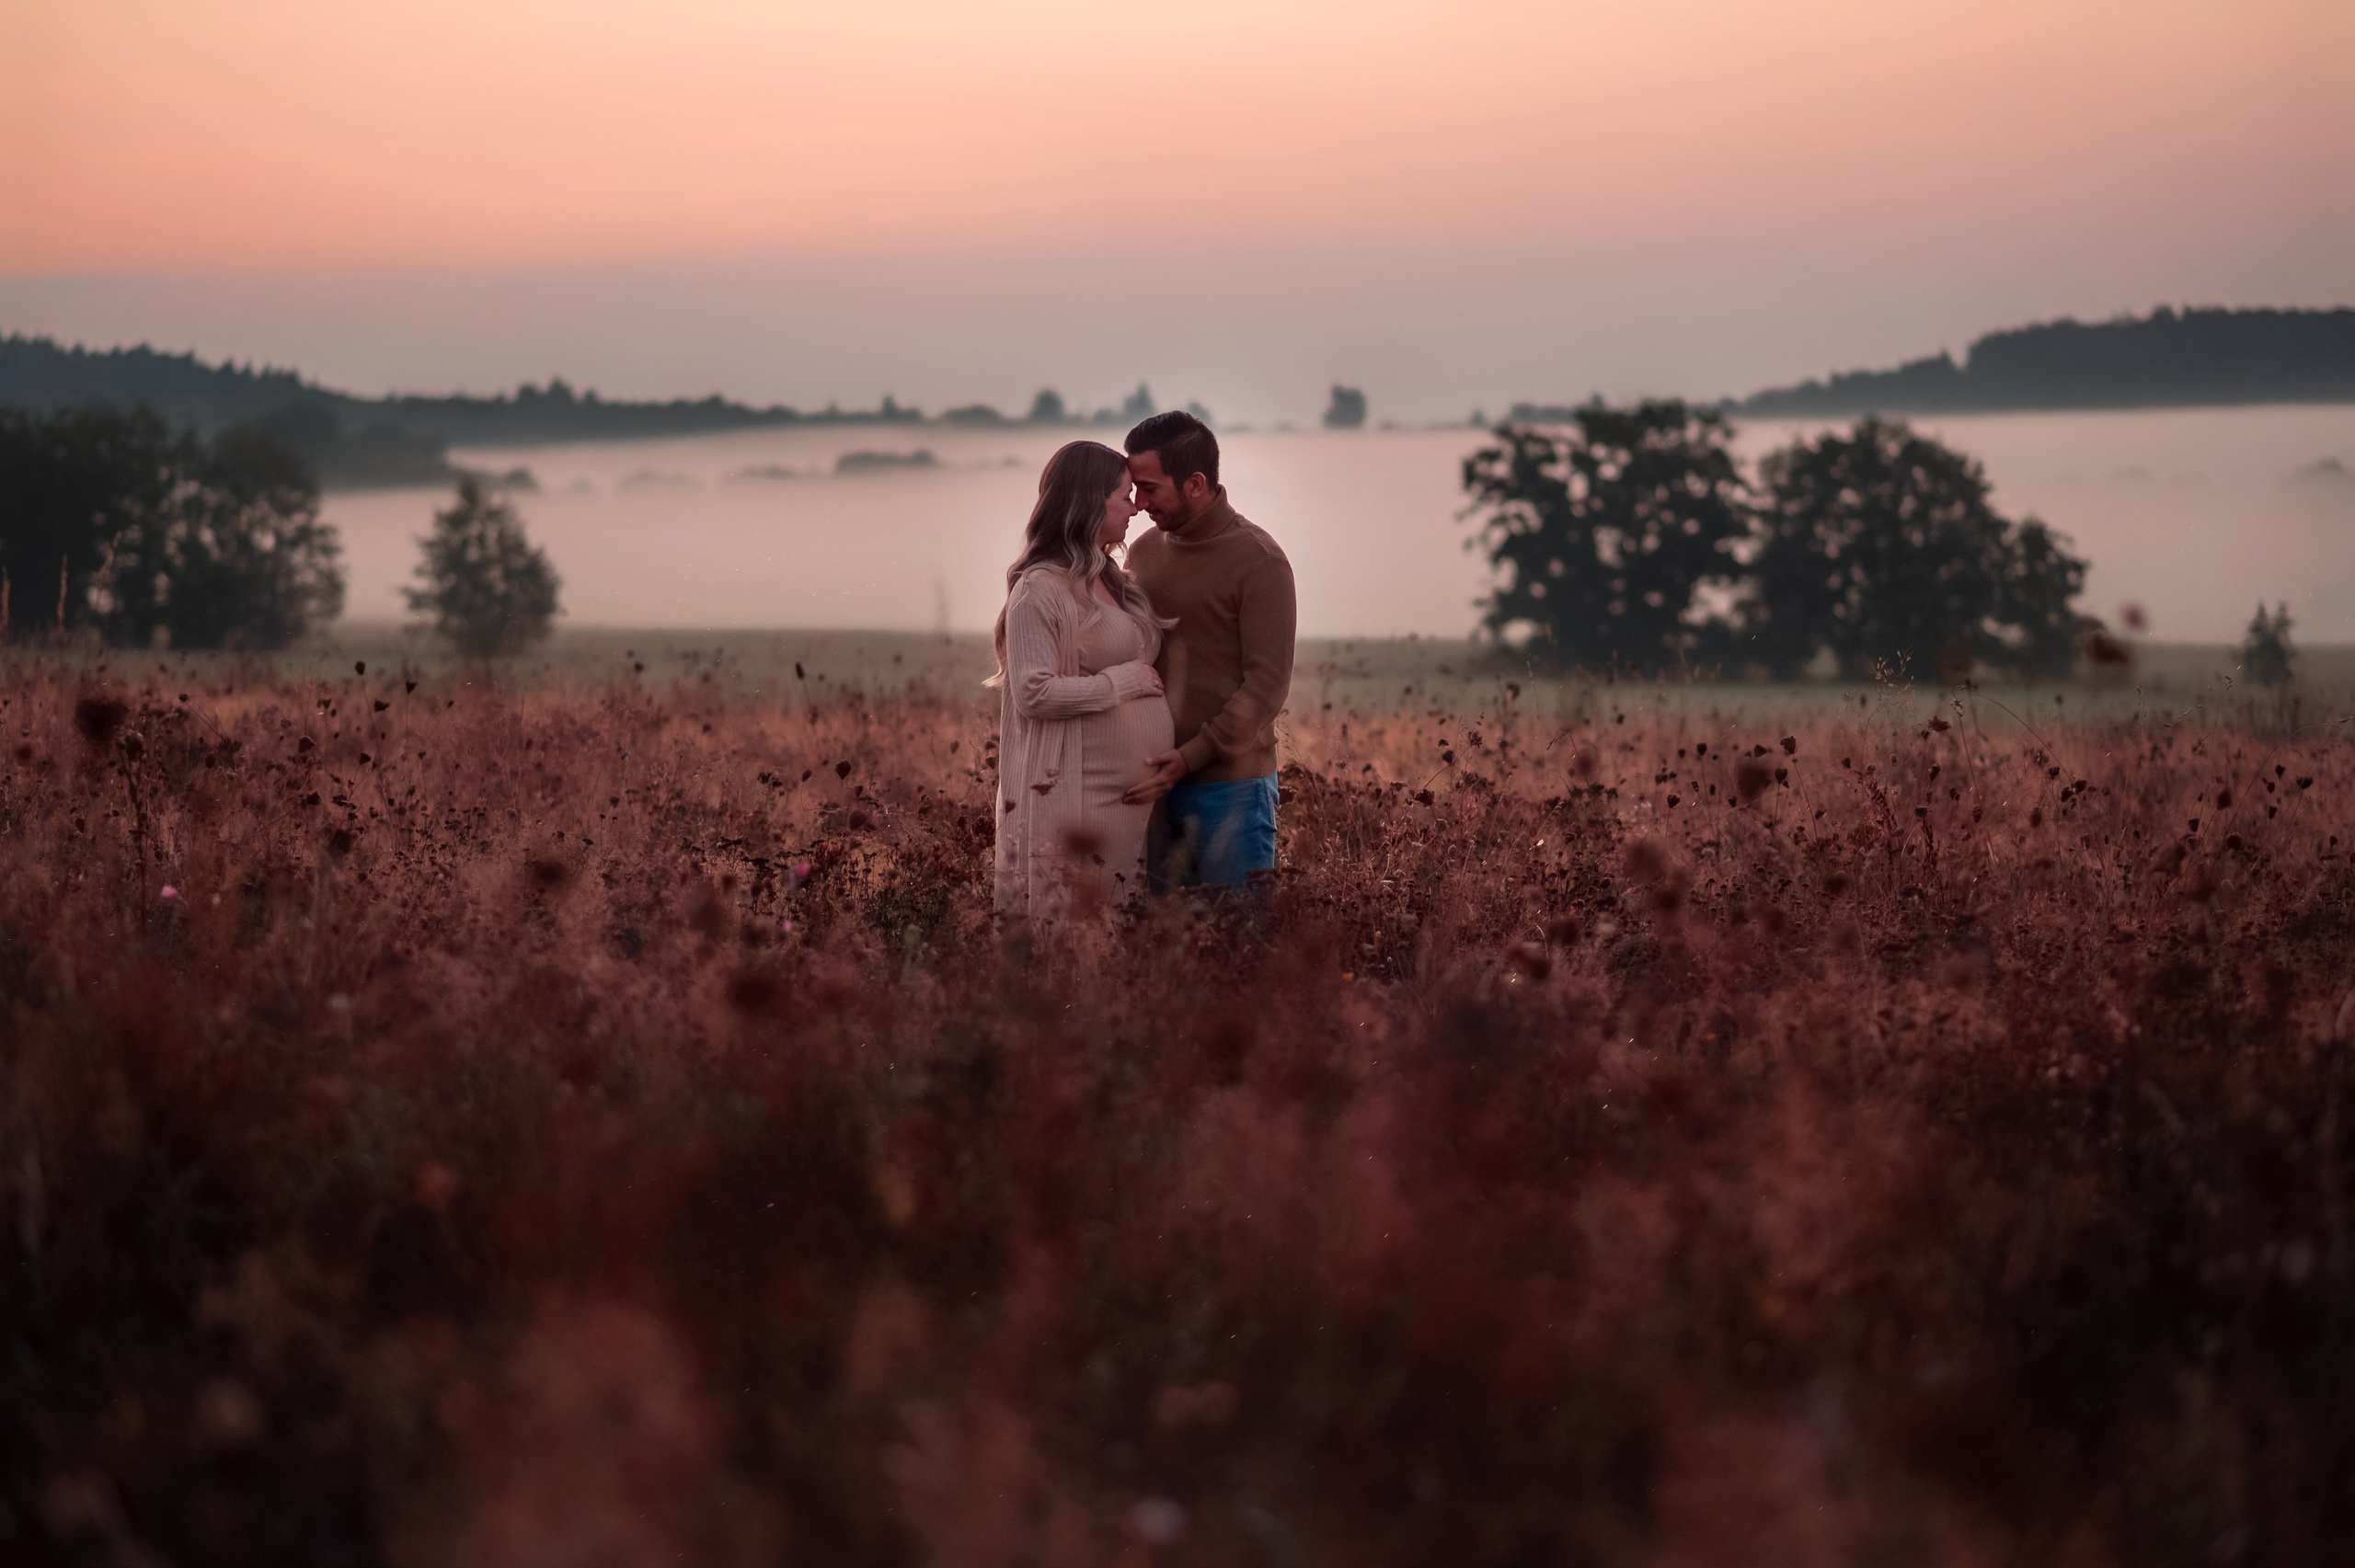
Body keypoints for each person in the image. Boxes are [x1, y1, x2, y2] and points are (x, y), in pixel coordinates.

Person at [989, 441, 1175, 925]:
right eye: (1125, 495)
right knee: (1075, 932)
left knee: (1120, 933)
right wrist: (1122, 682)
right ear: (1091, 501)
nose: (1135, 507)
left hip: (1132, 799)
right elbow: (1034, 693)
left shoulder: (1111, 578)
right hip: (1076, 797)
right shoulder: (1039, 591)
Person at [1120, 411, 1296, 893]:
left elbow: (1266, 687)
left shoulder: (1259, 562)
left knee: (1237, 948)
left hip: (1231, 791)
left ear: (1195, 483)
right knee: (1161, 950)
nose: (1138, 503)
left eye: (1150, 488)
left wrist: (1192, 756)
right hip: (1151, 787)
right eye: (1134, 488)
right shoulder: (1142, 553)